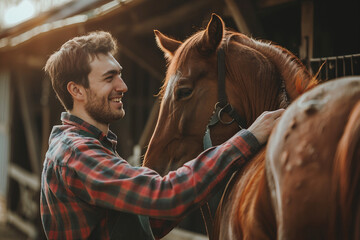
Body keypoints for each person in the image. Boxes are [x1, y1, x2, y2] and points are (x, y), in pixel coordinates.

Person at [40, 31, 284, 240]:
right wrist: (248, 138)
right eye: (108, 78)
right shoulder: (76, 152)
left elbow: (144, 222)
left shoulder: (85, 146)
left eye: (119, 74)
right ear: (76, 90)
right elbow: (163, 196)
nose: (123, 86)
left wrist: (203, 184)